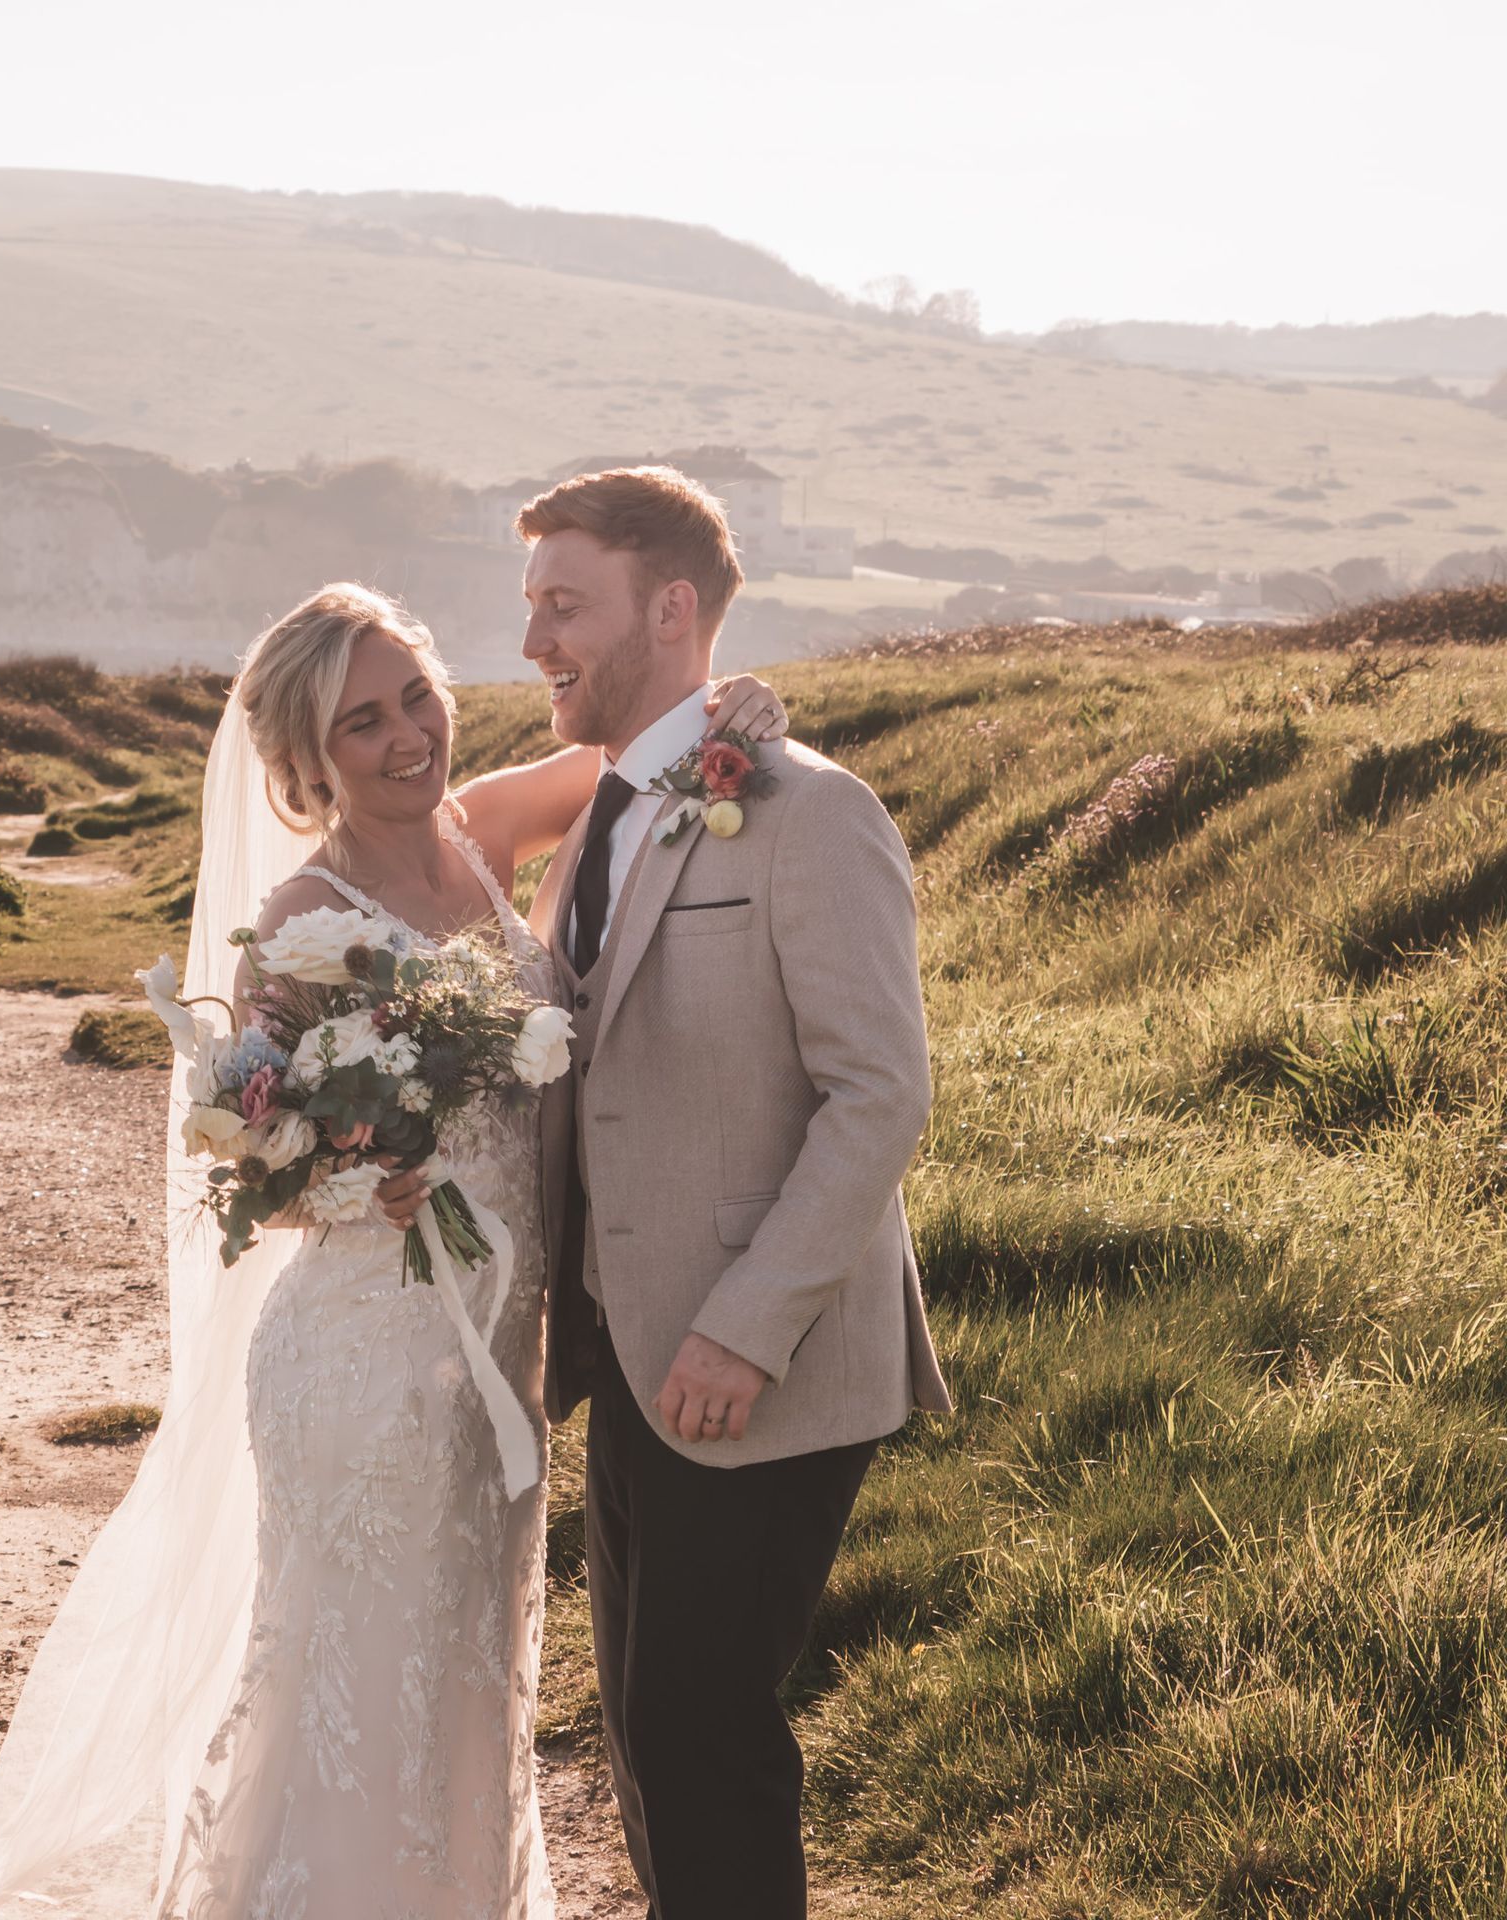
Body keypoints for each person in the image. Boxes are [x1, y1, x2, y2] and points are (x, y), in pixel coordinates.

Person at [0, 580, 788, 1920]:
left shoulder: (481, 831)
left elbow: (633, 746)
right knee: (358, 1686)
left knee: (473, 1684)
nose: (407, 734)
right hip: (370, 1366)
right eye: (362, 723)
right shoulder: (304, 921)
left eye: (415, 694)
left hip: (498, 1361)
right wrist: (369, 1178)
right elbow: (251, 1161)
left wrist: (744, 705)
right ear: (307, 762)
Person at [514, 466, 952, 1920]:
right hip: (630, 1352)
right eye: (532, 609)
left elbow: (879, 1093)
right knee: (646, 1734)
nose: (535, 643)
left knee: (702, 1737)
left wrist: (746, 1325)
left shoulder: (811, 812)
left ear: (674, 607)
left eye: (564, 605)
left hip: (758, 1363)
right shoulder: (608, 812)